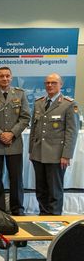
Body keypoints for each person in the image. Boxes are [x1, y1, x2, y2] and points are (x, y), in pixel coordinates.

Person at [29, 73, 79, 215]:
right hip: (38, 154)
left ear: (61, 85)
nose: (50, 85)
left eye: (53, 83)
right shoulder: (39, 103)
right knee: (41, 189)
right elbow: (34, 128)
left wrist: (66, 155)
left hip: (56, 155)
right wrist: (31, 151)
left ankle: (54, 218)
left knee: (54, 190)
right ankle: (43, 215)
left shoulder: (69, 104)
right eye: (47, 83)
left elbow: (71, 132)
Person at [0, 67, 30, 215]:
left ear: (11, 78)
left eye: (7, 76)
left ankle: (17, 209)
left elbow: (25, 117)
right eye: (1, 76)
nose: (5, 79)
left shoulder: (20, 94)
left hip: (14, 143)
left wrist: (11, 134)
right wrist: (0, 134)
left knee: (16, 178)